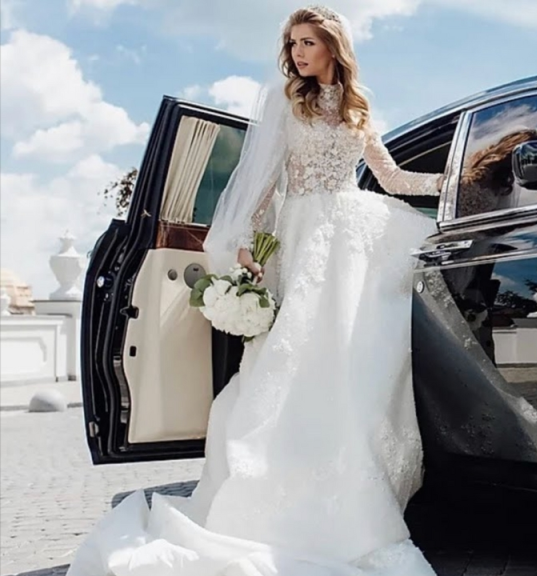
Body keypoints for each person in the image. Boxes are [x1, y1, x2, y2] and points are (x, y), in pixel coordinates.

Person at [67, 5, 445, 575]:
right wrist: (247, 244)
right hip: (303, 237)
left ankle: (352, 478)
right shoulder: (283, 103)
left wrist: (452, 180)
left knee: (353, 363)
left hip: (352, 240)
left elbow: (390, 179)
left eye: (308, 42)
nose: (297, 52)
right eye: (292, 42)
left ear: (332, 47)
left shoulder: (358, 106)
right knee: (290, 360)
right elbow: (263, 186)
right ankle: (276, 490)